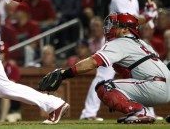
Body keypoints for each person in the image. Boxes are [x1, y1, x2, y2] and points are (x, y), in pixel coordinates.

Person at [39, 13, 170, 124]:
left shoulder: (119, 42)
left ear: (125, 30)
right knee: (125, 79)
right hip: (165, 86)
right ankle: (139, 111)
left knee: (105, 87)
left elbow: (92, 62)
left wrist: (64, 73)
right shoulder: (143, 44)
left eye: (115, 26)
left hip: (154, 86)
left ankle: (139, 112)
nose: (110, 29)